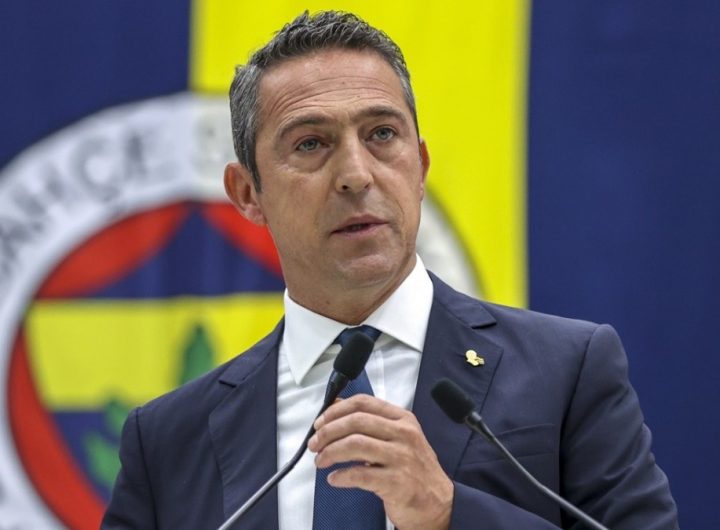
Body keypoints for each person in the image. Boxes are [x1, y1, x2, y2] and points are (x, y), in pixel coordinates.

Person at [102, 10, 678, 530]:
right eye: (311, 144)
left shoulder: (567, 372)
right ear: (248, 193)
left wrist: (450, 513)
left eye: (381, 134)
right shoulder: (168, 440)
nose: (356, 174)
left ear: (420, 166)